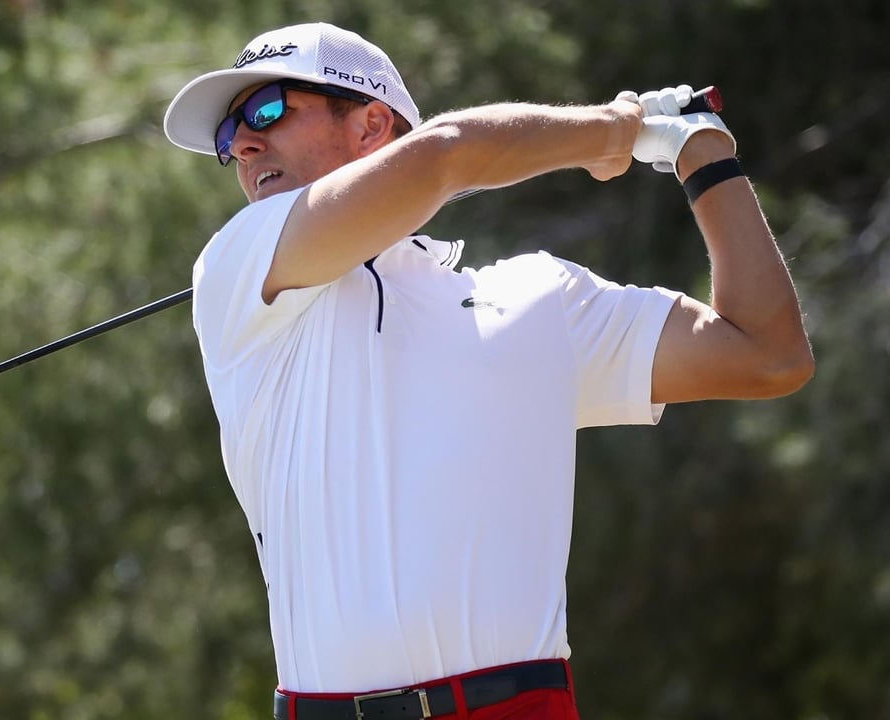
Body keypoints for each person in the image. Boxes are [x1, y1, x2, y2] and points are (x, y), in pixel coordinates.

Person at [162, 22, 812, 720]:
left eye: (266, 110)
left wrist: (702, 154)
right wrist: (614, 131)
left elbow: (766, 352)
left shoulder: (538, 297)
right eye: (231, 137)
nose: (246, 144)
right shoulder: (237, 269)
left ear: (372, 125)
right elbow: (447, 153)